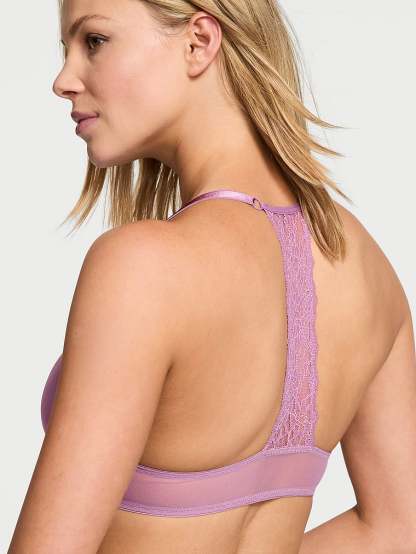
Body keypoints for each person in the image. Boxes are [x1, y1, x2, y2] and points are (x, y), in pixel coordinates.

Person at [8, 0, 416, 553]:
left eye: (95, 42)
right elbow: (397, 529)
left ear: (198, 42)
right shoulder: (361, 261)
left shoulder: (143, 268)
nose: (63, 80)